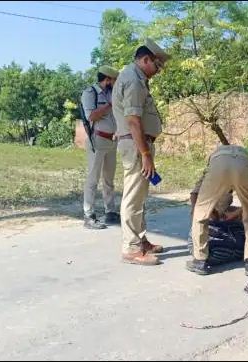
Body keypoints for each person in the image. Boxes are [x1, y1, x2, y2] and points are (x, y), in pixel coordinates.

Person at [112, 39, 169, 266]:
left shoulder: (136, 78)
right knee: (133, 198)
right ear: (145, 60)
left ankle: (139, 240)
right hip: (136, 146)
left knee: (139, 197)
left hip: (139, 145)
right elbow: (134, 121)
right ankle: (131, 248)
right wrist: (145, 153)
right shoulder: (133, 81)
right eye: (157, 65)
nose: (158, 71)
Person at [186, 145, 248, 276]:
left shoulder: (213, 164)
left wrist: (199, 212)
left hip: (220, 165)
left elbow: (197, 200)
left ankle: (200, 261)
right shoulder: (243, 157)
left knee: (200, 214)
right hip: (244, 163)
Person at [81, 65, 120, 230]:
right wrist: (109, 105)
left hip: (111, 141)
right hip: (97, 140)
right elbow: (91, 115)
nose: (114, 83)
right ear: (107, 79)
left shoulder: (111, 93)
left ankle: (110, 211)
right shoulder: (90, 93)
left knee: (109, 179)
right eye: (113, 79)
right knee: (93, 178)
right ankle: (89, 214)